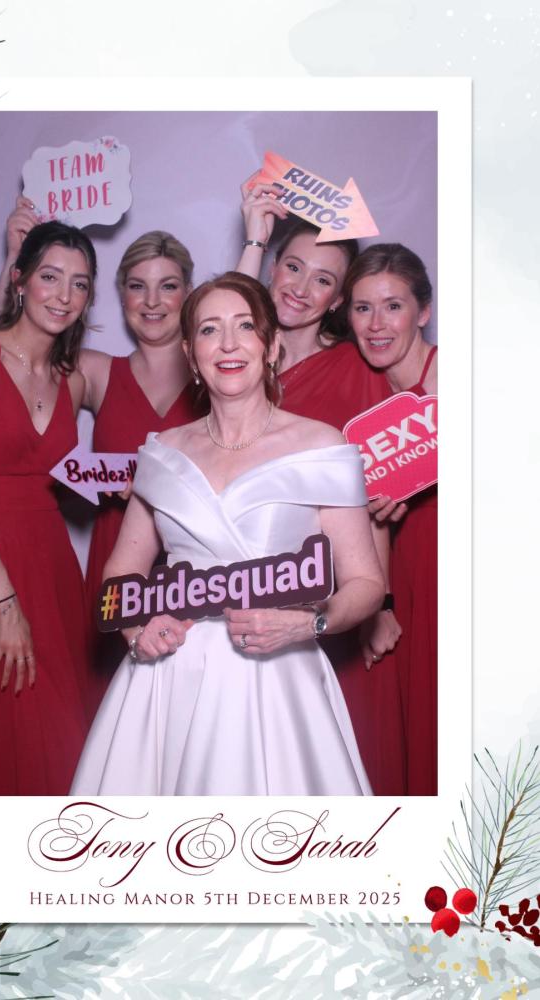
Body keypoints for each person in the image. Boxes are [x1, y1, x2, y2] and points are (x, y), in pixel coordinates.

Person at [71, 272, 385, 796]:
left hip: (277, 678)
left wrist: (308, 624)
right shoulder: (162, 452)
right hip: (171, 675)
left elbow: (366, 583)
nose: (229, 344)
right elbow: (121, 571)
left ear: (272, 346)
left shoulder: (322, 446)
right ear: (191, 355)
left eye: (245, 326)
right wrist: (135, 630)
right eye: (210, 330)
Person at [0, 202, 202, 711]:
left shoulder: (216, 370)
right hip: (110, 565)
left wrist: (255, 240)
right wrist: (14, 259)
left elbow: (243, 318)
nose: (152, 301)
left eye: (169, 286)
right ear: (120, 295)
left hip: (190, 567)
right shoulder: (90, 369)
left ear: (190, 294)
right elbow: (2, 357)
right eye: (137, 286)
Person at [237, 180, 407, 795]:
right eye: (292, 266)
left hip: (325, 596)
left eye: (323, 280)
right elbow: (226, 314)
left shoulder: (355, 372)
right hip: (234, 585)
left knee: (322, 764)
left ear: (338, 299)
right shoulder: (232, 360)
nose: (300, 288)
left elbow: (371, 499)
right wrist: (254, 238)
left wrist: (380, 603)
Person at [0, 220, 96, 795]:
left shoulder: (71, 380)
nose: (64, 296)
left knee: (63, 742)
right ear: (20, 279)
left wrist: (116, 484)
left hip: (52, 572)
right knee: (2, 732)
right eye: (50, 277)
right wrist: (4, 604)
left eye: (79, 284)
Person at [344, 243, 437, 796]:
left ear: (423, 311)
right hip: (378, 578)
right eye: (362, 308)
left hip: (441, 563)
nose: (376, 325)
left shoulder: (459, 378)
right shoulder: (357, 387)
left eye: (393, 306)